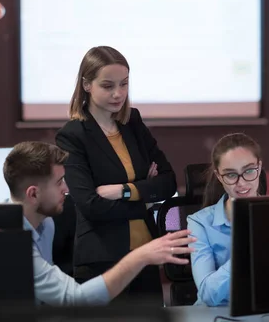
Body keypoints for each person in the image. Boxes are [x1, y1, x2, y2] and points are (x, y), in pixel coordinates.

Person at [3, 141, 194, 306]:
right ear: (33, 194)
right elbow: (75, 299)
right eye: (59, 182)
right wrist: (142, 256)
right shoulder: (12, 242)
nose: (67, 188)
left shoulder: (46, 224)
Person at [55, 46, 177, 301]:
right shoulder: (73, 135)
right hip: (102, 258)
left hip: (146, 252)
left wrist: (124, 191)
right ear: (87, 84)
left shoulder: (132, 121)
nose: (118, 93)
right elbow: (90, 206)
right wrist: (146, 197)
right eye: (108, 86)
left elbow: (168, 181)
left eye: (124, 84)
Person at [187, 133, 265, 307]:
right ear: (219, 176)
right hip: (218, 313)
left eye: (249, 171)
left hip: (267, 312)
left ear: (259, 168)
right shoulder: (199, 223)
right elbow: (207, 295)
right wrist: (246, 248)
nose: (242, 183)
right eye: (231, 175)